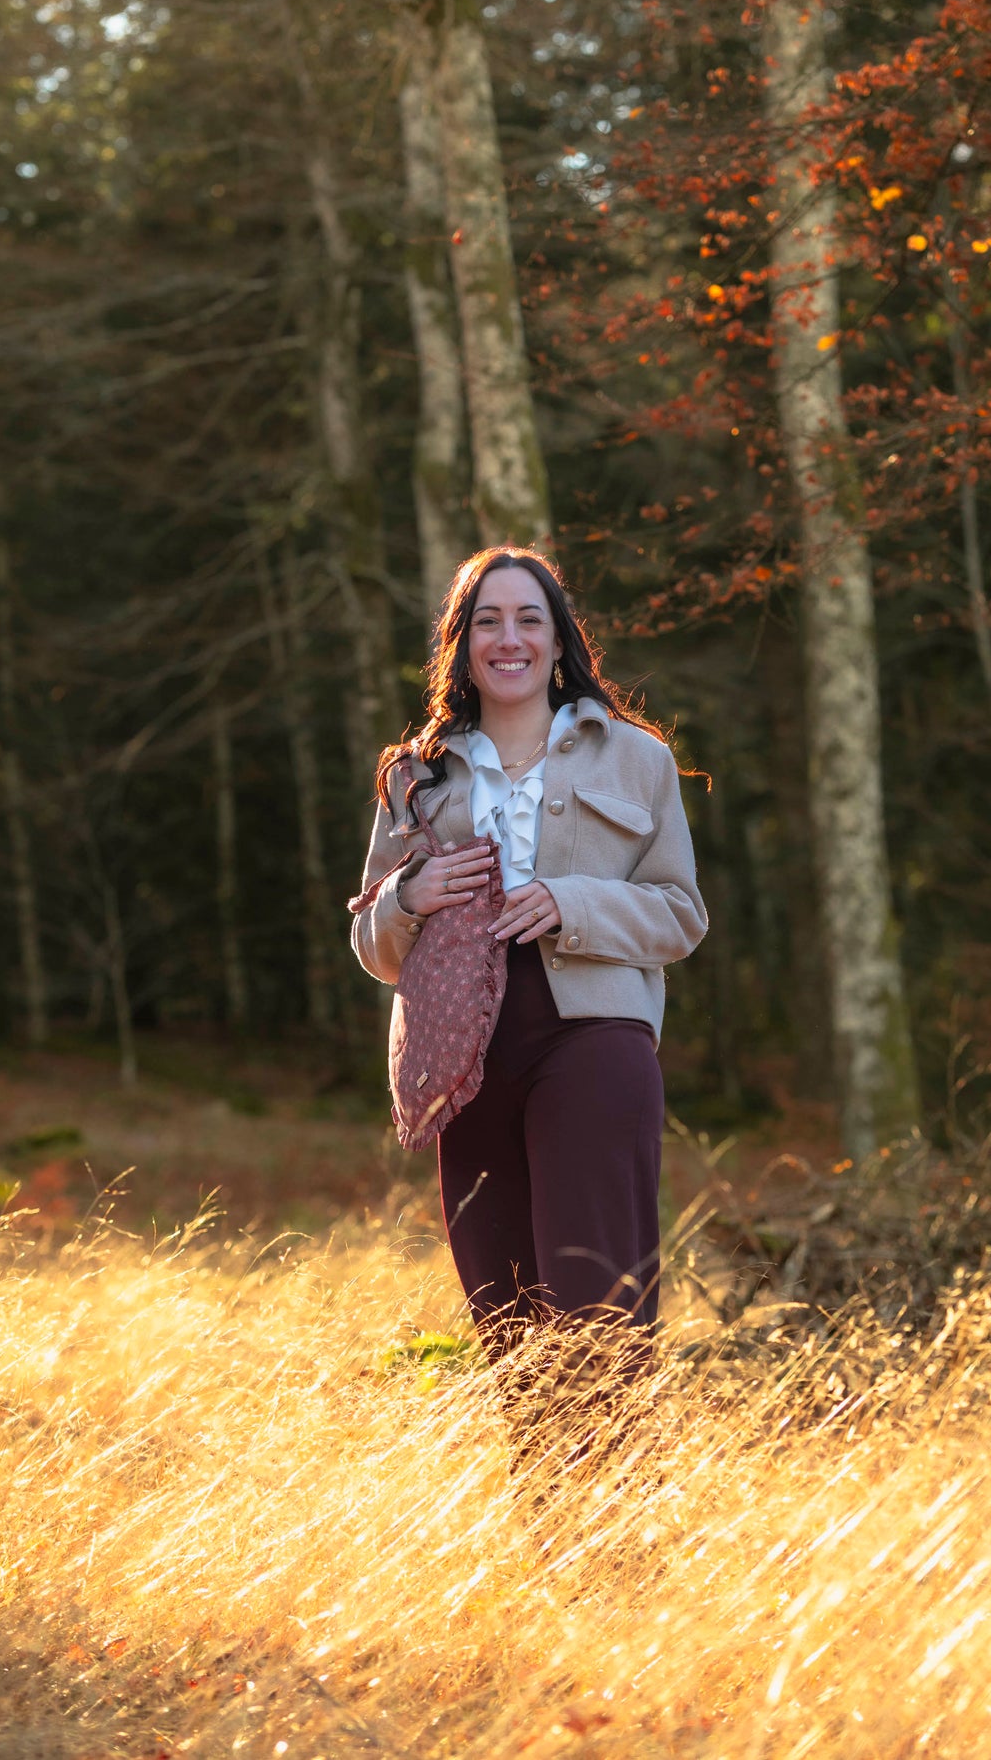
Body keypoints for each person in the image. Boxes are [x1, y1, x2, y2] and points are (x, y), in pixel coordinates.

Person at [351, 546, 707, 1411]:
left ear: (558, 641)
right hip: (463, 1062)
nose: (507, 638)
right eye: (487, 620)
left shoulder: (635, 759)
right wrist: (409, 893)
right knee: (507, 1327)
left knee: (599, 1310)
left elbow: (679, 913)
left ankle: (620, 1531)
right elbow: (371, 942)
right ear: (461, 643)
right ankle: (553, 1540)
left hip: (592, 1038)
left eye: (528, 619)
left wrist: (567, 901)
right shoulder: (415, 775)